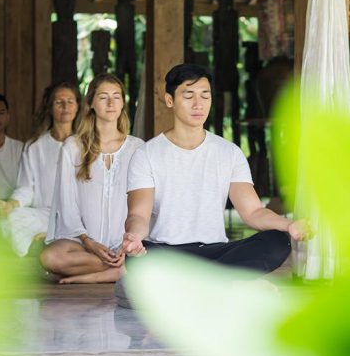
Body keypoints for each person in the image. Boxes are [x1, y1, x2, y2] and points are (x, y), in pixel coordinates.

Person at [121, 63, 309, 271]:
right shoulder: (147, 154)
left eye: (205, 96)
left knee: (277, 241)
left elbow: (253, 211)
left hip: (216, 251)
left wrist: (289, 225)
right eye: (189, 96)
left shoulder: (229, 152)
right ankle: (217, 279)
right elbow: (139, 215)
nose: (198, 104)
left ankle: (195, 280)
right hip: (167, 252)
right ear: (169, 100)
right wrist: (134, 238)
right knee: (138, 258)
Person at [41, 73, 144, 284]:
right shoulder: (72, 147)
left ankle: (106, 269)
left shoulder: (138, 148)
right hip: (83, 243)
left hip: (125, 242)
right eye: (103, 97)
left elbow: (143, 204)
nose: (111, 103)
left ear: (122, 104)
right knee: (49, 258)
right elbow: (67, 204)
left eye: (116, 97)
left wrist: (129, 243)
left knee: (153, 252)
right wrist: (89, 242)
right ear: (91, 103)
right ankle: (120, 269)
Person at [0, 82, 81, 257]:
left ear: (77, 107)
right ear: (49, 107)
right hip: (44, 215)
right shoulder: (35, 146)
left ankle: (47, 243)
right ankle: (44, 244)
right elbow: (26, 188)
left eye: (70, 101)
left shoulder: (87, 145)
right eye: (59, 102)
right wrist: (11, 204)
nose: (65, 106)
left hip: (78, 216)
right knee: (11, 219)